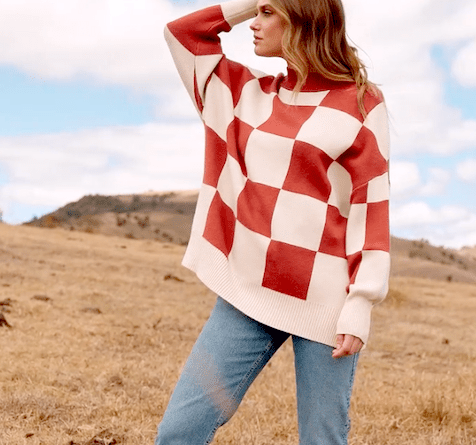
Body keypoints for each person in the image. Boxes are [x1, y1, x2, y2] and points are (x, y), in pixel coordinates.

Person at [158, 0, 390, 443]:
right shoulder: (246, 93)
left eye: (267, 13)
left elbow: (370, 206)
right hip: (246, 292)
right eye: (255, 11)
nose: (254, 24)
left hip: (325, 302)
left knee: (322, 439)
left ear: (303, 18)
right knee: (178, 433)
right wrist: (250, 3)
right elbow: (183, 33)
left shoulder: (361, 102)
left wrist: (361, 302)